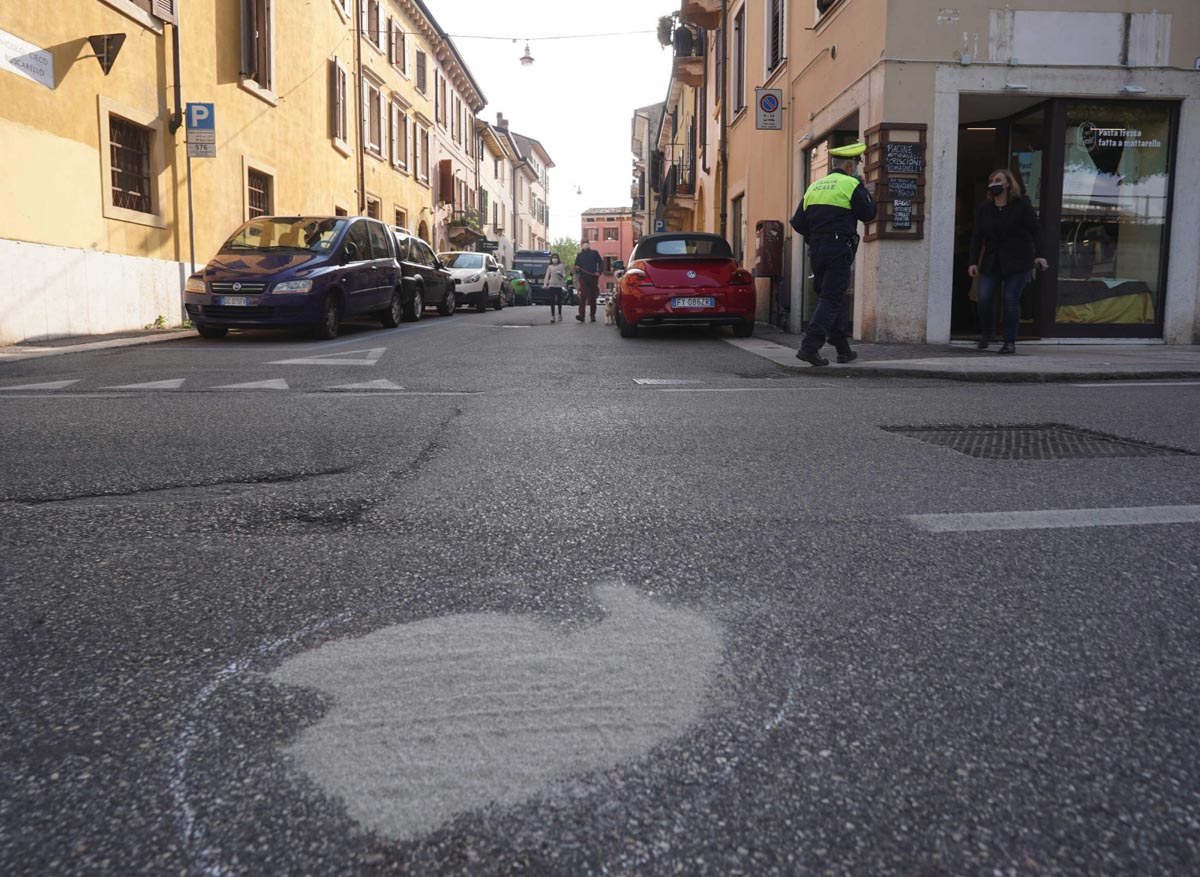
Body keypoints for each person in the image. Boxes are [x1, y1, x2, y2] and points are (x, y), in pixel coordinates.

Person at [790, 142, 877, 366]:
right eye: (857, 164)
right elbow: (868, 214)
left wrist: (817, 236)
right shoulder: (850, 184)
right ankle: (810, 347)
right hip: (839, 249)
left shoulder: (815, 186)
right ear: (850, 166)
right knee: (831, 298)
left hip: (817, 250)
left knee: (830, 296)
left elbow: (798, 222)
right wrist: (865, 191)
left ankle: (843, 349)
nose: (857, 168)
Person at [967, 169, 1048, 354]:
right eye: (991, 180)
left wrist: (1040, 255)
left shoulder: (1022, 205)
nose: (993, 183)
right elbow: (977, 237)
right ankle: (987, 334)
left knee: (1010, 300)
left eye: (998, 180)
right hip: (992, 261)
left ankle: (1009, 342)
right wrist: (973, 262)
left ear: (1008, 184)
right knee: (984, 298)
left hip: (1018, 261)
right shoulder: (985, 208)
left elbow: (1036, 231)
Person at [573, 240, 605, 322]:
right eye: (583, 243)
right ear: (581, 245)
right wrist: (576, 269)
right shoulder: (579, 255)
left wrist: (599, 271)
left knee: (592, 297)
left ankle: (592, 315)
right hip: (583, 278)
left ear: (588, 244)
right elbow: (576, 267)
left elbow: (601, 263)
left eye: (586, 243)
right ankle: (581, 315)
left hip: (593, 277)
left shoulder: (594, 253)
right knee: (583, 296)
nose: (585, 244)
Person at [543, 254, 567, 322]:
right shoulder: (550, 266)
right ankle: (552, 316)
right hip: (552, 285)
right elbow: (547, 276)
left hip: (559, 285)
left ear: (558, 259)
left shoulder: (561, 266)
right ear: (551, 259)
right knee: (552, 301)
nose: (554, 259)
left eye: (556, 258)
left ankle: (559, 314)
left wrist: (561, 275)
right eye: (553, 258)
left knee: (559, 301)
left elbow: (564, 275)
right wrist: (545, 284)